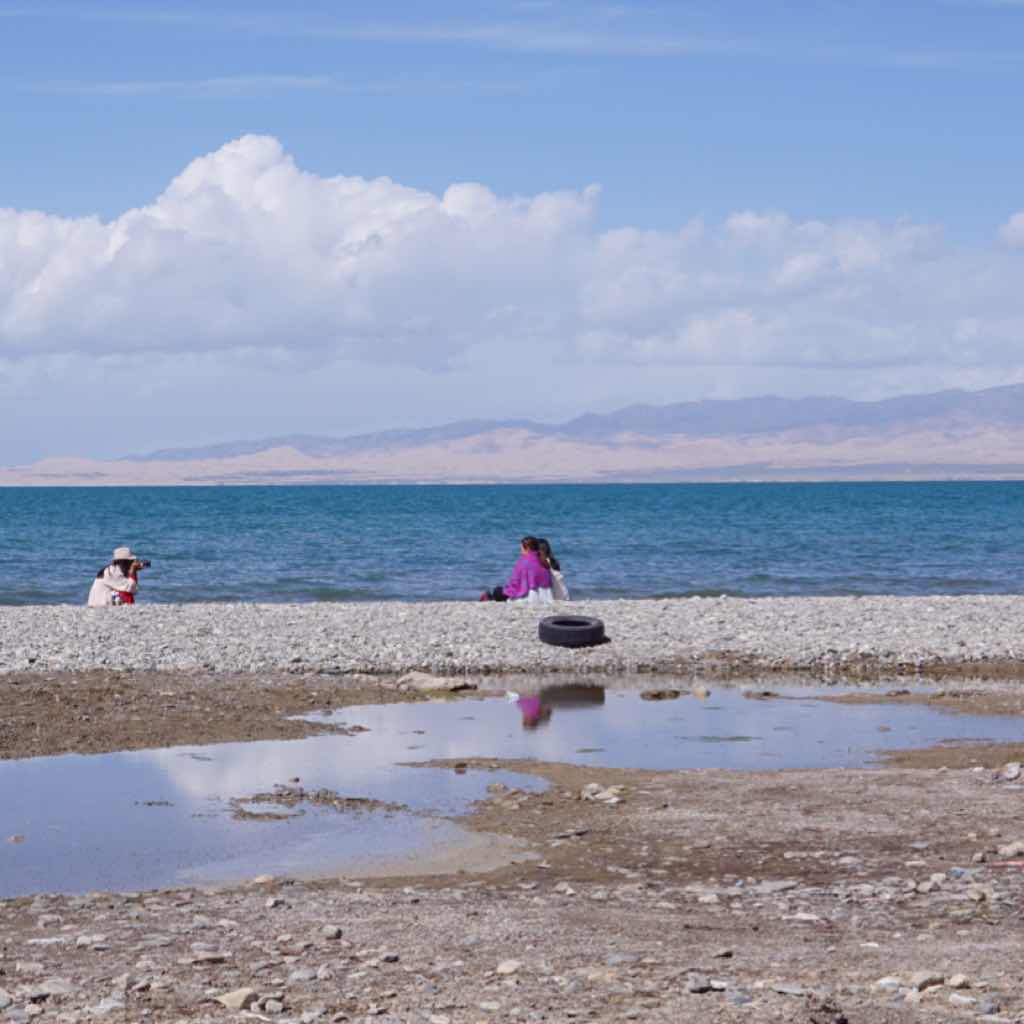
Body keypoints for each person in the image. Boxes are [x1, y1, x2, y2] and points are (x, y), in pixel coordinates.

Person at [480, 536, 552, 603]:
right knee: (499, 591)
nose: (521, 551)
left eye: (521, 548)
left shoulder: (524, 561)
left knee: (497, 590)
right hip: (545, 595)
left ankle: (489, 597)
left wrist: (507, 591)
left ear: (527, 548)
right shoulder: (543, 560)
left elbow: (516, 584)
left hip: (528, 596)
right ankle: (490, 597)